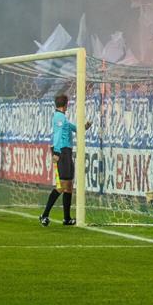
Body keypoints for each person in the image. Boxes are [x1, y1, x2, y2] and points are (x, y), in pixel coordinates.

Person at [40, 94, 91, 227]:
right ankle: (44, 215)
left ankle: (67, 219)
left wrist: (85, 127)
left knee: (68, 186)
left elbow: (75, 129)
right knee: (61, 186)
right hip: (61, 152)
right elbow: (57, 136)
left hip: (66, 152)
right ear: (66, 104)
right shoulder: (59, 118)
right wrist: (56, 152)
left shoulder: (63, 119)